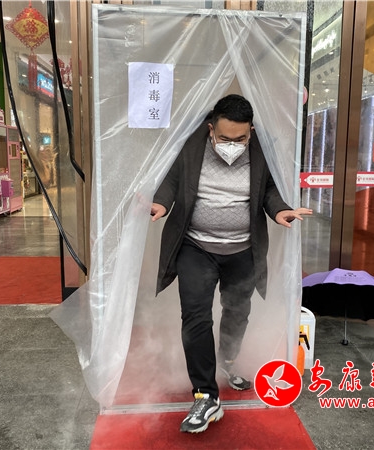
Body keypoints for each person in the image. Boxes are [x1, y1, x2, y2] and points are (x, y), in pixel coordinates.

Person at [150, 94, 312, 434]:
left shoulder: (261, 148)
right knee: (196, 316)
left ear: (250, 130)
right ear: (212, 128)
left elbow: (268, 189)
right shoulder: (190, 144)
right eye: (225, 138)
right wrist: (161, 203)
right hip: (196, 247)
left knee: (237, 311)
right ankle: (206, 395)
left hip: (242, 249)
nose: (233, 146)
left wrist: (280, 210)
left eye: (240, 139)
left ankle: (226, 361)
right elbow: (172, 180)